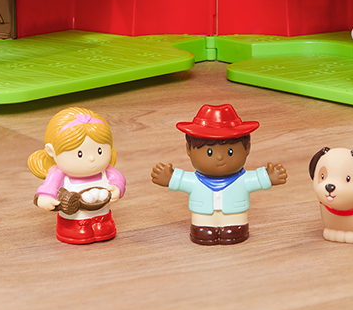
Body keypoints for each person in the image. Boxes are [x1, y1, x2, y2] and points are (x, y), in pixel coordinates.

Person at [151, 103, 287, 245]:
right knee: (203, 230)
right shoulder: (195, 180)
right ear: (189, 150)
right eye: (209, 152)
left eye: (230, 152)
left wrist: (269, 177)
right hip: (202, 217)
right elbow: (181, 180)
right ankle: (203, 229)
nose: (220, 158)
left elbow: (257, 179)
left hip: (235, 216)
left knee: (234, 228)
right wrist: (169, 178)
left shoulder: (242, 179)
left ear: (247, 149)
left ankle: (234, 228)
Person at [28, 108, 125, 244]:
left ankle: (101, 225)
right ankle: (77, 228)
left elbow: (118, 179)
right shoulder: (58, 173)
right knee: (79, 229)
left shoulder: (106, 171)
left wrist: (117, 189)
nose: (91, 158)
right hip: (74, 220)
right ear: (52, 151)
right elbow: (48, 188)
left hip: (103, 215)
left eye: (99, 151)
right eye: (80, 154)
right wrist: (45, 199)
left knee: (104, 227)